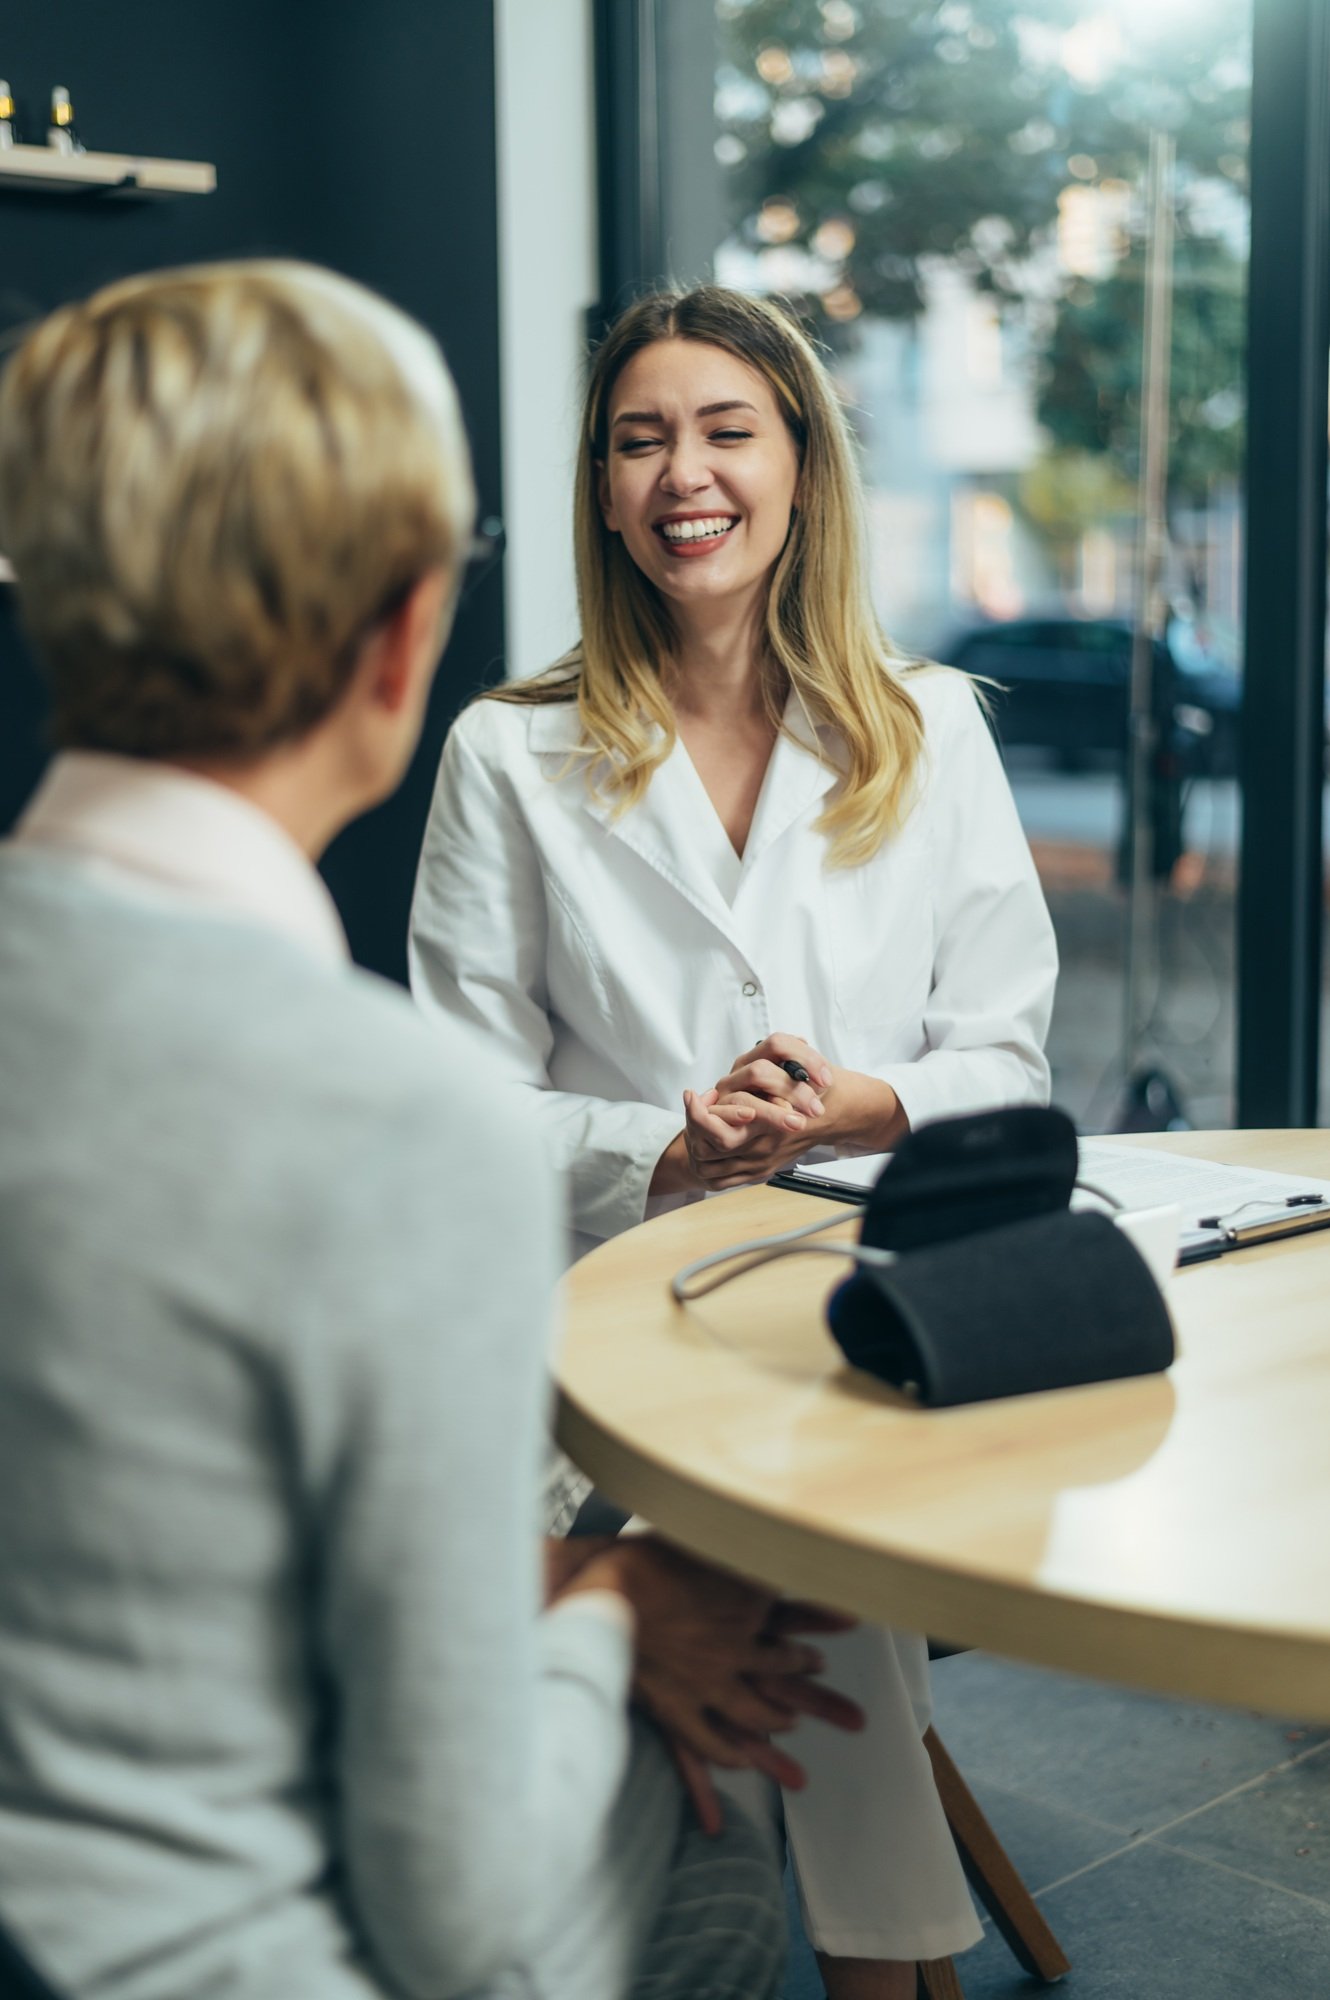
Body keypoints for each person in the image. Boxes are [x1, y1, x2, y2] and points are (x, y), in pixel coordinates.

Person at [0, 263, 864, 2000]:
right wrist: (602, 1614)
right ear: (404, 641)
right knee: (706, 1817)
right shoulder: (391, 1124)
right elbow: (456, 1914)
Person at [409, 285, 1060, 1999]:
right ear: (603, 491)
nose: (680, 474)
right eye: (639, 440)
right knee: (795, 1514)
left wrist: (866, 1103)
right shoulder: (507, 752)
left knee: (799, 1480)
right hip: (610, 1325)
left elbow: (1006, 1062)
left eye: (722, 431)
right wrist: (664, 1154)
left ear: (797, 468)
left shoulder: (928, 729)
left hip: (880, 1293)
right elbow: (458, 1105)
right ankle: (892, 1970)